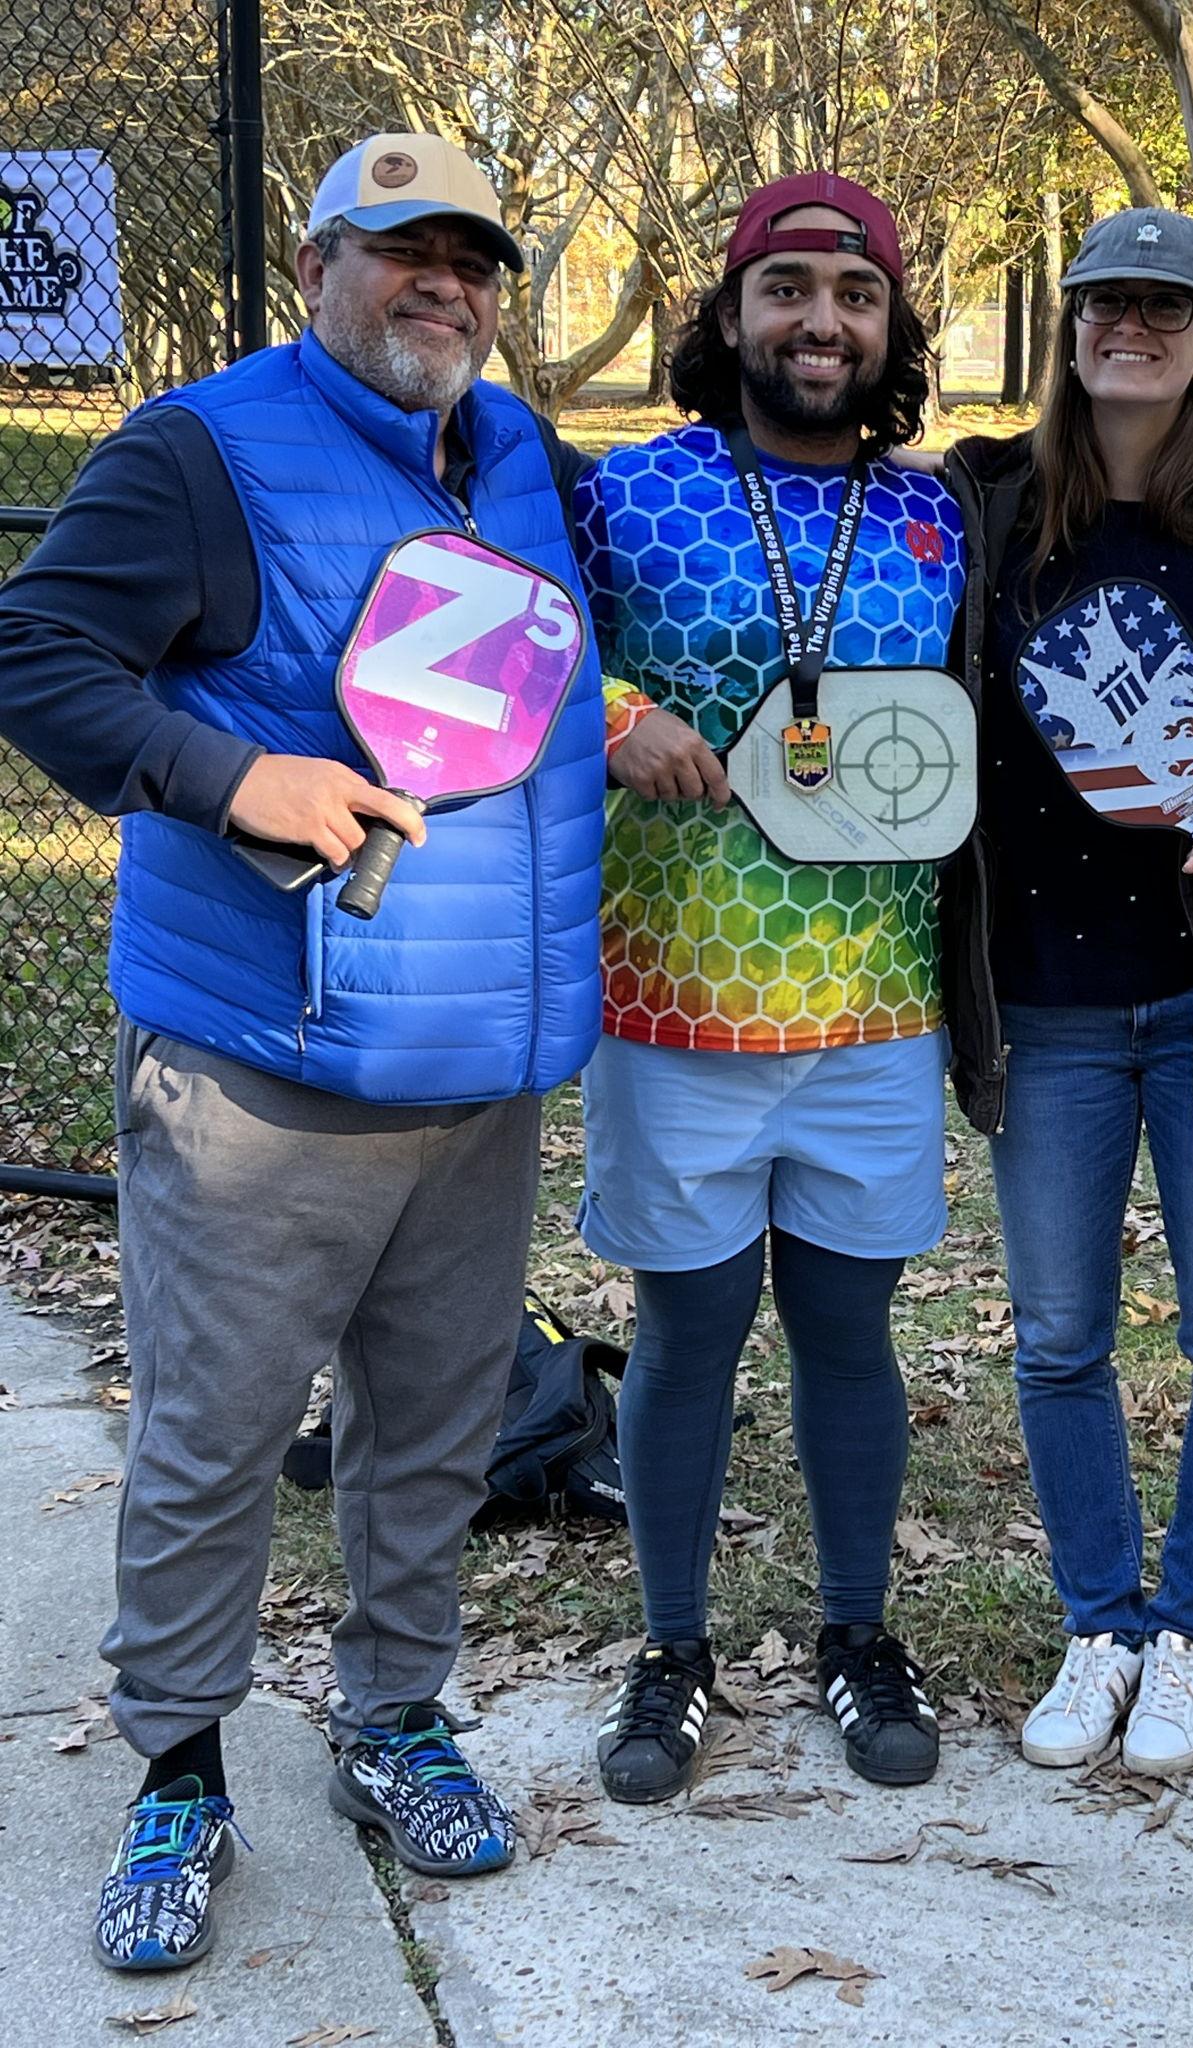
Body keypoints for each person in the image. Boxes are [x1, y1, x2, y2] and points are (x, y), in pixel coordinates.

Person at [0, 134, 604, 1969]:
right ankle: (179, 1766)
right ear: (320, 258)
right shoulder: (203, 450)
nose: (444, 285)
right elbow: (35, 651)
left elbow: (524, 675)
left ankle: (391, 1713)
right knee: (214, 1438)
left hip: (474, 1071)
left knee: (429, 1434)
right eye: (402, 250)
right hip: (264, 1069)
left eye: (472, 259)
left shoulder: (512, 455)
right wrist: (227, 772)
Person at [938, 210, 1193, 1775]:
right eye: (1106, 302)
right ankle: (1098, 1622)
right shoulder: (980, 506)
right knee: (1055, 1337)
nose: (1133, 326)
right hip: (1037, 1000)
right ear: (1068, 330)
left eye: (1165, 307)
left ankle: (1189, 1633)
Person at [575, 175, 964, 1804]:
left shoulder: (942, 515)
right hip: (675, 1004)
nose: (821, 321)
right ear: (729, 315)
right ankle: (671, 1646)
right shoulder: (620, 494)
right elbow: (504, 646)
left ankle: (854, 1630)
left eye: (853, 295)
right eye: (788, 290)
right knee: (687, 1334)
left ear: (889, 329)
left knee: (848, 1337)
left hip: (875, 1005)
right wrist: (611, 713)